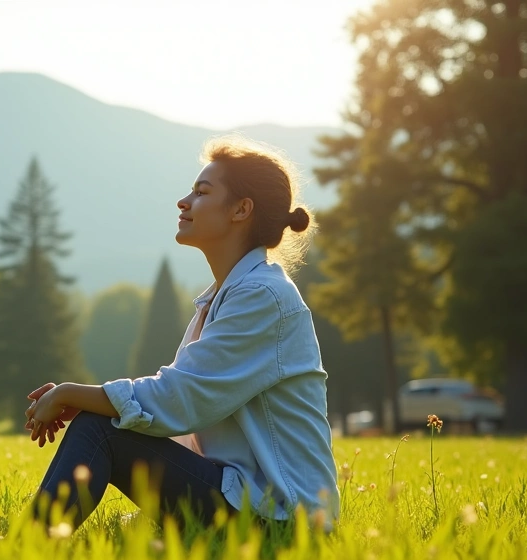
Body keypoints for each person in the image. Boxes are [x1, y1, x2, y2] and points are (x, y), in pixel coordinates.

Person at [23, 136, 340, 529]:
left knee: (99, 430)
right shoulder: (226, 297)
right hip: (248, 501)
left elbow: (178, 400)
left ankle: (28, 545)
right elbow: (180, 420)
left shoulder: (262, 297)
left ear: (241, 209)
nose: (184, 202)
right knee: (103, 425)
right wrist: (96, 401)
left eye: (202, 192)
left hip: (281, 517)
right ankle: (35, 542)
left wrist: (75, 394)